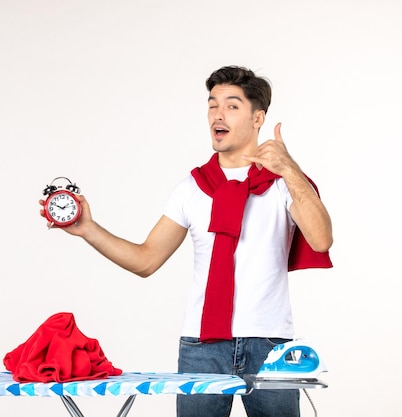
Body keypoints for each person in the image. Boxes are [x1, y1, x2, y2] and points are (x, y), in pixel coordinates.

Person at [39, 65, 333, 417]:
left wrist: (289, 169)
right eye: (212, 105)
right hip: (202, 346)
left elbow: (321, 239)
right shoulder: (191, 189)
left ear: (259, 118)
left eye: (232, 105)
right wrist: (88, 228)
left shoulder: (285, 184)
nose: (218, 115)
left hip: (271, 345)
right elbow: (146, 260)